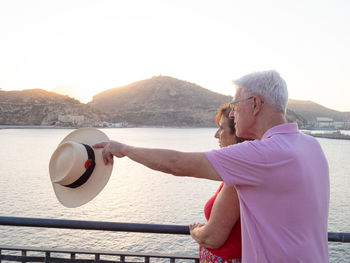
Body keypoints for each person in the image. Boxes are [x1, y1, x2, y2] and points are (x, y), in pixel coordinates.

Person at [94, 70, 329, 263]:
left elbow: (177, 164)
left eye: (236, 105)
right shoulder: (311, 146)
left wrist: (124, 149)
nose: (234, 114)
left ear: (255, 104)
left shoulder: (261, 155)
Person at [189, 103, 247, 263]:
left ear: (238, 134)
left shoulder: (238, 176)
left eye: (221, 128)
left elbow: (213, 238)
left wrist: (196, 232)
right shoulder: (237, 171)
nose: (216, 135)